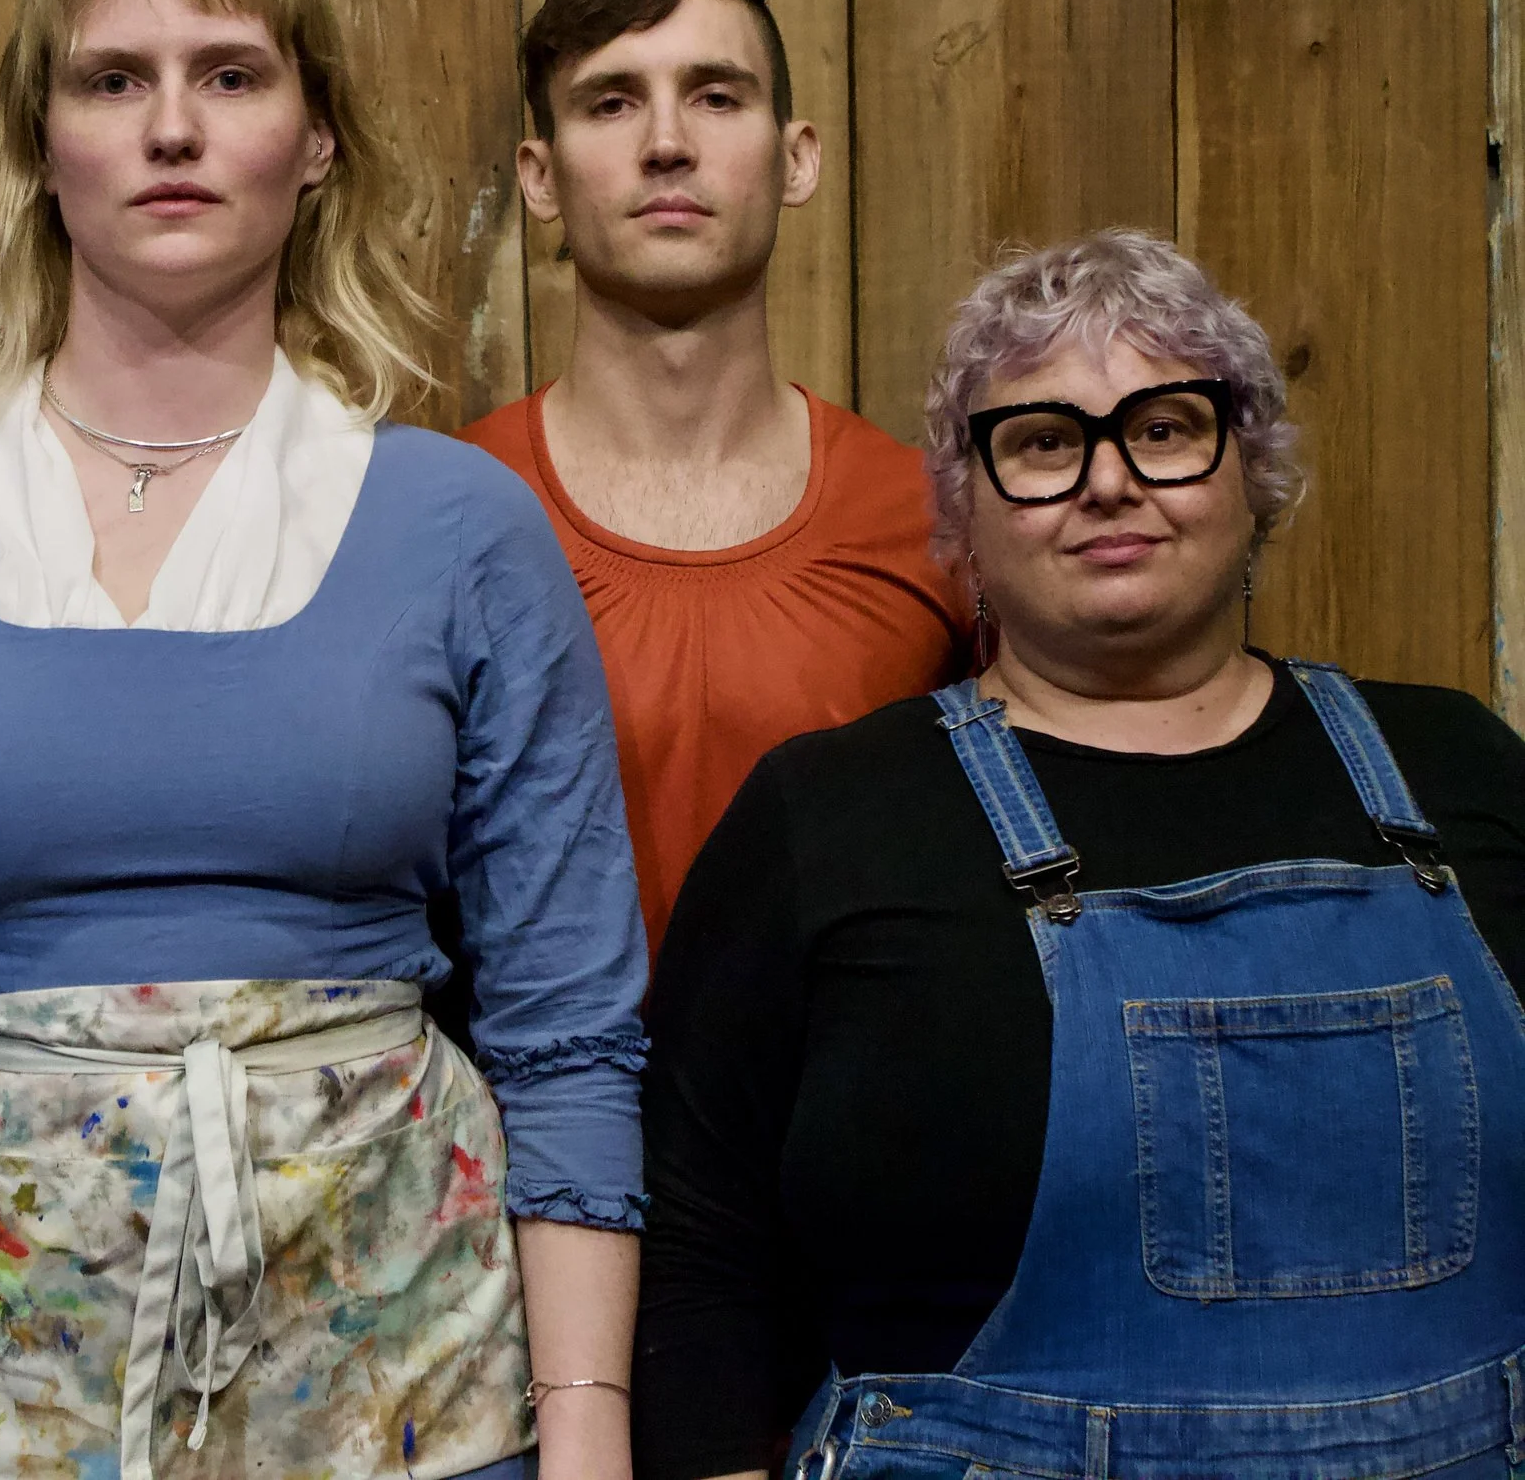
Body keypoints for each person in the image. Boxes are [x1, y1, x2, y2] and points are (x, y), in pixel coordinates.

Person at [0, 0, 646, 1480]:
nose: (173, 127)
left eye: (232, 73)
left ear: (315, 139)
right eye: (114, 78)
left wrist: (589, 1431)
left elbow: (568, 1025)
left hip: (412, 1399)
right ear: (39, 139)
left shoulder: (460, 524)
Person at [634, 230, 1525, 1479]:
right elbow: (695, 1256)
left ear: (1252, 469)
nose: (1108, 480)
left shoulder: (1459, 769)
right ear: (965, 507)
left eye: (1163, 427)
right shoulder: (828, 815)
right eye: (1045, 442)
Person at [461, 0, 965, 957]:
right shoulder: (444, 512)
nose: (666, 144)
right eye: (611, 102)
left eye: (717, 96)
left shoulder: (935, 520)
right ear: (540, 176)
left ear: (796, 158)